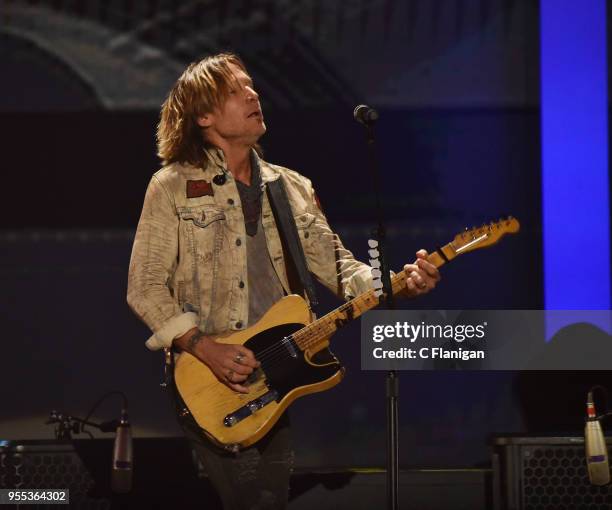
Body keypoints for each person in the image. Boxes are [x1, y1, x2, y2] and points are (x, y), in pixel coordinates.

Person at [127, 53, 440, 510]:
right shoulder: (171, 186)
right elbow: (145, 286)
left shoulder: (290, 186)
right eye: (235, 90)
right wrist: (204, 347)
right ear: (204, 115)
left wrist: (400, 283)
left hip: (277, 374)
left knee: (269, 501)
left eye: (252, 86)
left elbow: (341, 268)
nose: (253, 95)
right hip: (211, 375)